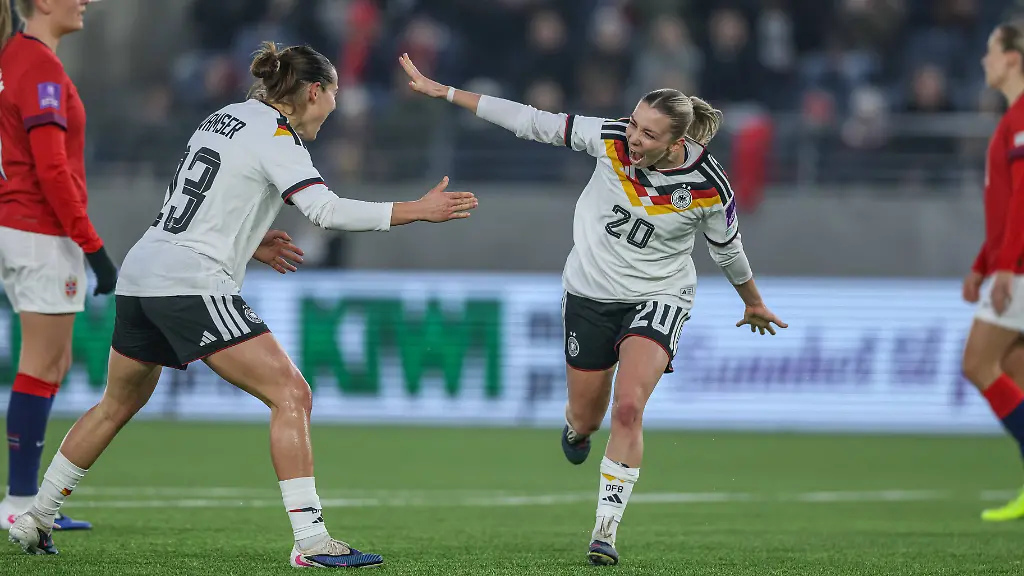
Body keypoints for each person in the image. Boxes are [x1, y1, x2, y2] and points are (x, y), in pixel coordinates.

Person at [8, 41, 477, 567]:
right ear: (315, 92)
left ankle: (35, 516)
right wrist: (419, 209)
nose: (334, 108)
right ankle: (312, 541)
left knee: (116, 404)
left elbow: (197, 200)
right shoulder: (280, 136)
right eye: (334, 96)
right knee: (291, 395)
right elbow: (324, 210)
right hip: (190, 281)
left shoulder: (225, 117)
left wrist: (248, 243)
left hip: (144, 274)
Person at [400, 54, 786, 565]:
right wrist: (445, 91)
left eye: (648, 135)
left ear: (676, 143)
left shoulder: (710, 188)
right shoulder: (607, 138)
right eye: (632, 123)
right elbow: (529, 121)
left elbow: (728, 251)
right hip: (589, 293)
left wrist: (753, 301)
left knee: (629, 406)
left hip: (659, 296)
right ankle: (577, 429)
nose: (633, 138)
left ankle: (605, 529)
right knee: (586, 417)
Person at [0, 0, 116, 532]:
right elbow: (50, 166)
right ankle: (20, 500)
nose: (84, 1)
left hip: (18, 226)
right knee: (42, 364)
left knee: (52, 362)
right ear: (42, 2)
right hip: (39, 231)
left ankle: (22, 496)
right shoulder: (40, 67)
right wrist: (92, 246)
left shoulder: (14, 59)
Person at [963, 20, 1024, 523]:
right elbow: (1005, 209)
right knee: (1015, 372)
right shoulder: (1010, 120)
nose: (984, 61)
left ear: (1012, 58)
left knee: (978, 364)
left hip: (1020, 270)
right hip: (1008, 264)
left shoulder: (1023, 117)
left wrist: (1003, 268)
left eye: (991, 51)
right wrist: (983, 264)